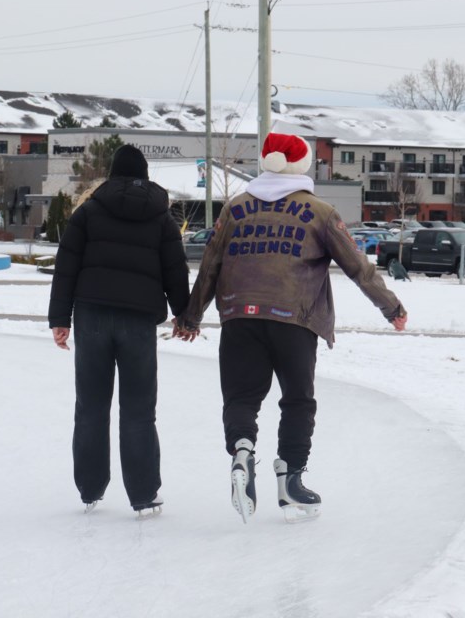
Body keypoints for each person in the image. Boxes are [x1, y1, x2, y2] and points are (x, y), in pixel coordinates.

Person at [175, 132, 408, 523]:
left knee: (242, 398)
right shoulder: (319, 211)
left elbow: (210, 265)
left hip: (239, 317)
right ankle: (291, 480)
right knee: (297, 400)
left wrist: (190, 316)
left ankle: (242, 451)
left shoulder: (235, 209)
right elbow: (358, 266)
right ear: (302, 166)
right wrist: (392, 307)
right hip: (294, 319)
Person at [48, 144, 190, 517]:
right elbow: (176, 269)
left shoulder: (89, 212)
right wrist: (184, 315)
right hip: (139, 322)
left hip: (92, 316)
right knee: (139, 410)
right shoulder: (161, 217)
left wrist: (59, 319)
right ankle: (143, 495)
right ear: (145, 174)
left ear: (110, 175)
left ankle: (90, 489)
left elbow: (66, 267)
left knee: (91, 407)